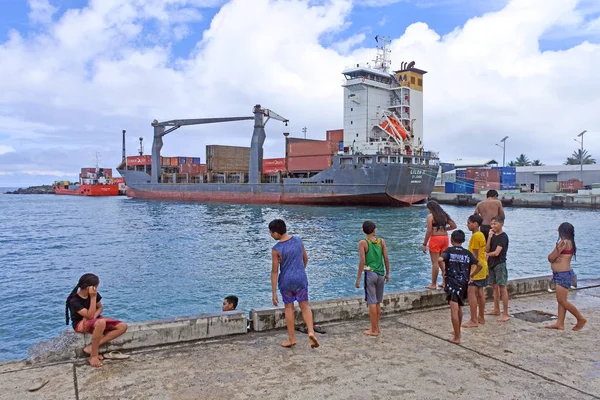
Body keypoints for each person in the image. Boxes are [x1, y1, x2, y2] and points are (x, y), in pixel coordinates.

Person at [269, 219, 320, 349]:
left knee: (289, 308)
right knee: (305, 306)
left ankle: (292, 339)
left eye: (271, 232)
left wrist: (274, 292)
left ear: (276, 233)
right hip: (300, 278)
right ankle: (311, 331)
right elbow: (305, 258)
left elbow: (274, 272)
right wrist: (300, 271)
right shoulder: (298, 240)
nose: (270, 234)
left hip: (286, 281)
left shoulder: (276, 249)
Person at [66, 273, 128, 367]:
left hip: (93, 320)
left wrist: (94, 316)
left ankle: (91, 347)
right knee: (101, 322)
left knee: (122, 326)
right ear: (89, 287)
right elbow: (89, 316)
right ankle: (93, 356)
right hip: (80, 323)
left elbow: (99, 308)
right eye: (96, 286)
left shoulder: (94, 295)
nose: (96, 289)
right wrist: (93, 298)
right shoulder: (74, 301)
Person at [438, 230, 482, 345]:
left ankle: (457, 337)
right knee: (459, 306)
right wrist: (471, 275)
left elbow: (440, 259)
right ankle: (457, 331)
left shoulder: (449, 251)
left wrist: (443, 271)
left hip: (452, 283)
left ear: (452, 240)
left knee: (454, 309)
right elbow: (479, 265)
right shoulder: (467, 253)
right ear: (463, 240)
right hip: (464, 283)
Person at [545, 222, 587, 331]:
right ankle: (560, 323)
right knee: (561, 300)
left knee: (562, 300)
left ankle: (580, 318)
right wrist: (557, 257)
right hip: (563, 273)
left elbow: (550, 257)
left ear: (561, 232)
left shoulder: (563, 242)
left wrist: (554, 257)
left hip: (563, 274)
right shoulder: (571, 242)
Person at [355, 221, 390, 337]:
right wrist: (388, 273)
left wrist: (358, 278)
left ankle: (374, 330)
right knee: (378, 302)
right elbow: (386, 258)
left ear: (363, 230)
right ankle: (376, 326)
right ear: (375, 230)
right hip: (381, 273)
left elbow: (362, 261)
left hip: (370, 273)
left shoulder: (363, 243)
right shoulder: (381, 242)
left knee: (371, 302)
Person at [423, 200, 457, 290]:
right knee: (443, 262)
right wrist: (445, 229)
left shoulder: (431, 216)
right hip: (445, 239)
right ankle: (445, 282)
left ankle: (433, 284)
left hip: (435, 239)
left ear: (430, 208)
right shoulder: (444, 215)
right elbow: (454, 226)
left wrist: (424, 243)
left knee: (435, 263)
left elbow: (429, 231)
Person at [463, 214, 489, 328]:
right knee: (480, 292)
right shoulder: (481, 235)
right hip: (484, 267)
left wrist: (471, 273)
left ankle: (473, 319)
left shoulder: (475, 237)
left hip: (477, 268)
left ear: (475, 224)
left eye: (469, 223)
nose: (467, 225)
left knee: (471, 293)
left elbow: (475, 256)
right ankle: (481, 317)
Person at [485, 215, 510, 322]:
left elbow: (496, 253)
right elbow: (487, 248)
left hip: (499, 264)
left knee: (502, 288)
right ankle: (496, 309)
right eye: (491, 224)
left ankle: (506, 313)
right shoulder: (493, 235)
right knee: (495, 288)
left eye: (495, 223)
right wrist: (489, 237)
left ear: (501, 224)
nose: (493, 226)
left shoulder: (503, 237)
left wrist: (487, 255)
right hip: (491, 264)